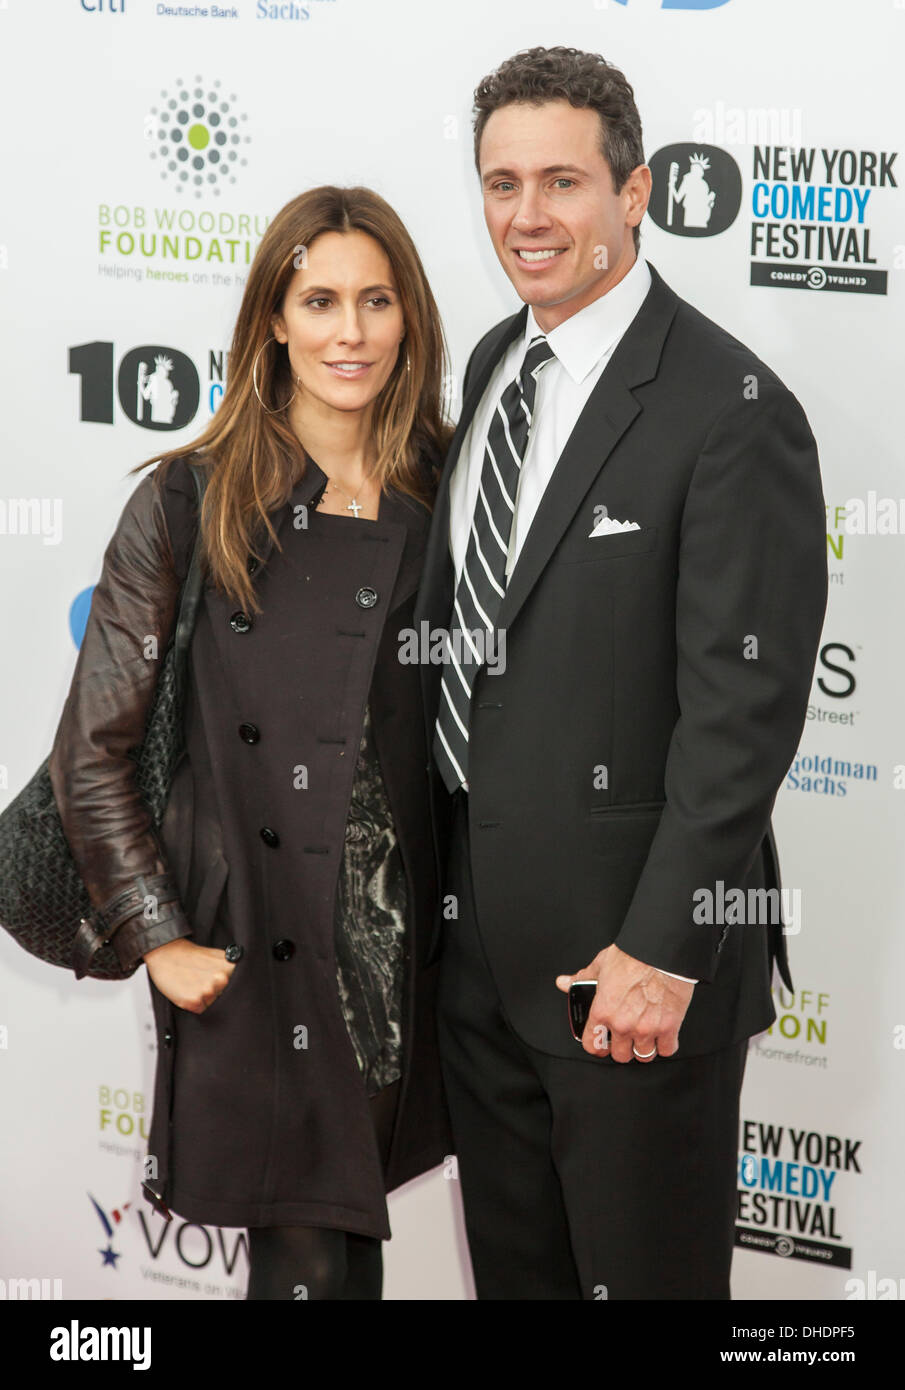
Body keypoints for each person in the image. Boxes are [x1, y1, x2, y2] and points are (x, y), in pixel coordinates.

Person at [414, 46, 828, 1299]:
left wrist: (662, 948)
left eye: (561, 182)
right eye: (499, 183)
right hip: (477, 954)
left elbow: (741, 712)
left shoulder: (729, 405)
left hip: (628, 972)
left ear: (634, 193)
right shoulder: (494, 362)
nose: (525, 217)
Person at [49, 185, 453, 1300]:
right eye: (318, 300)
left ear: (408, 319)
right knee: (304, 1256)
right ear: (272, 318)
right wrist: (157, 933)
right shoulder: (189, 499)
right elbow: (94, 750)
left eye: (377, 302)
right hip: (253, 936)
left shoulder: (445, 491)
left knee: (344, 1245)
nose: (350, 332)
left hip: (399, 946)